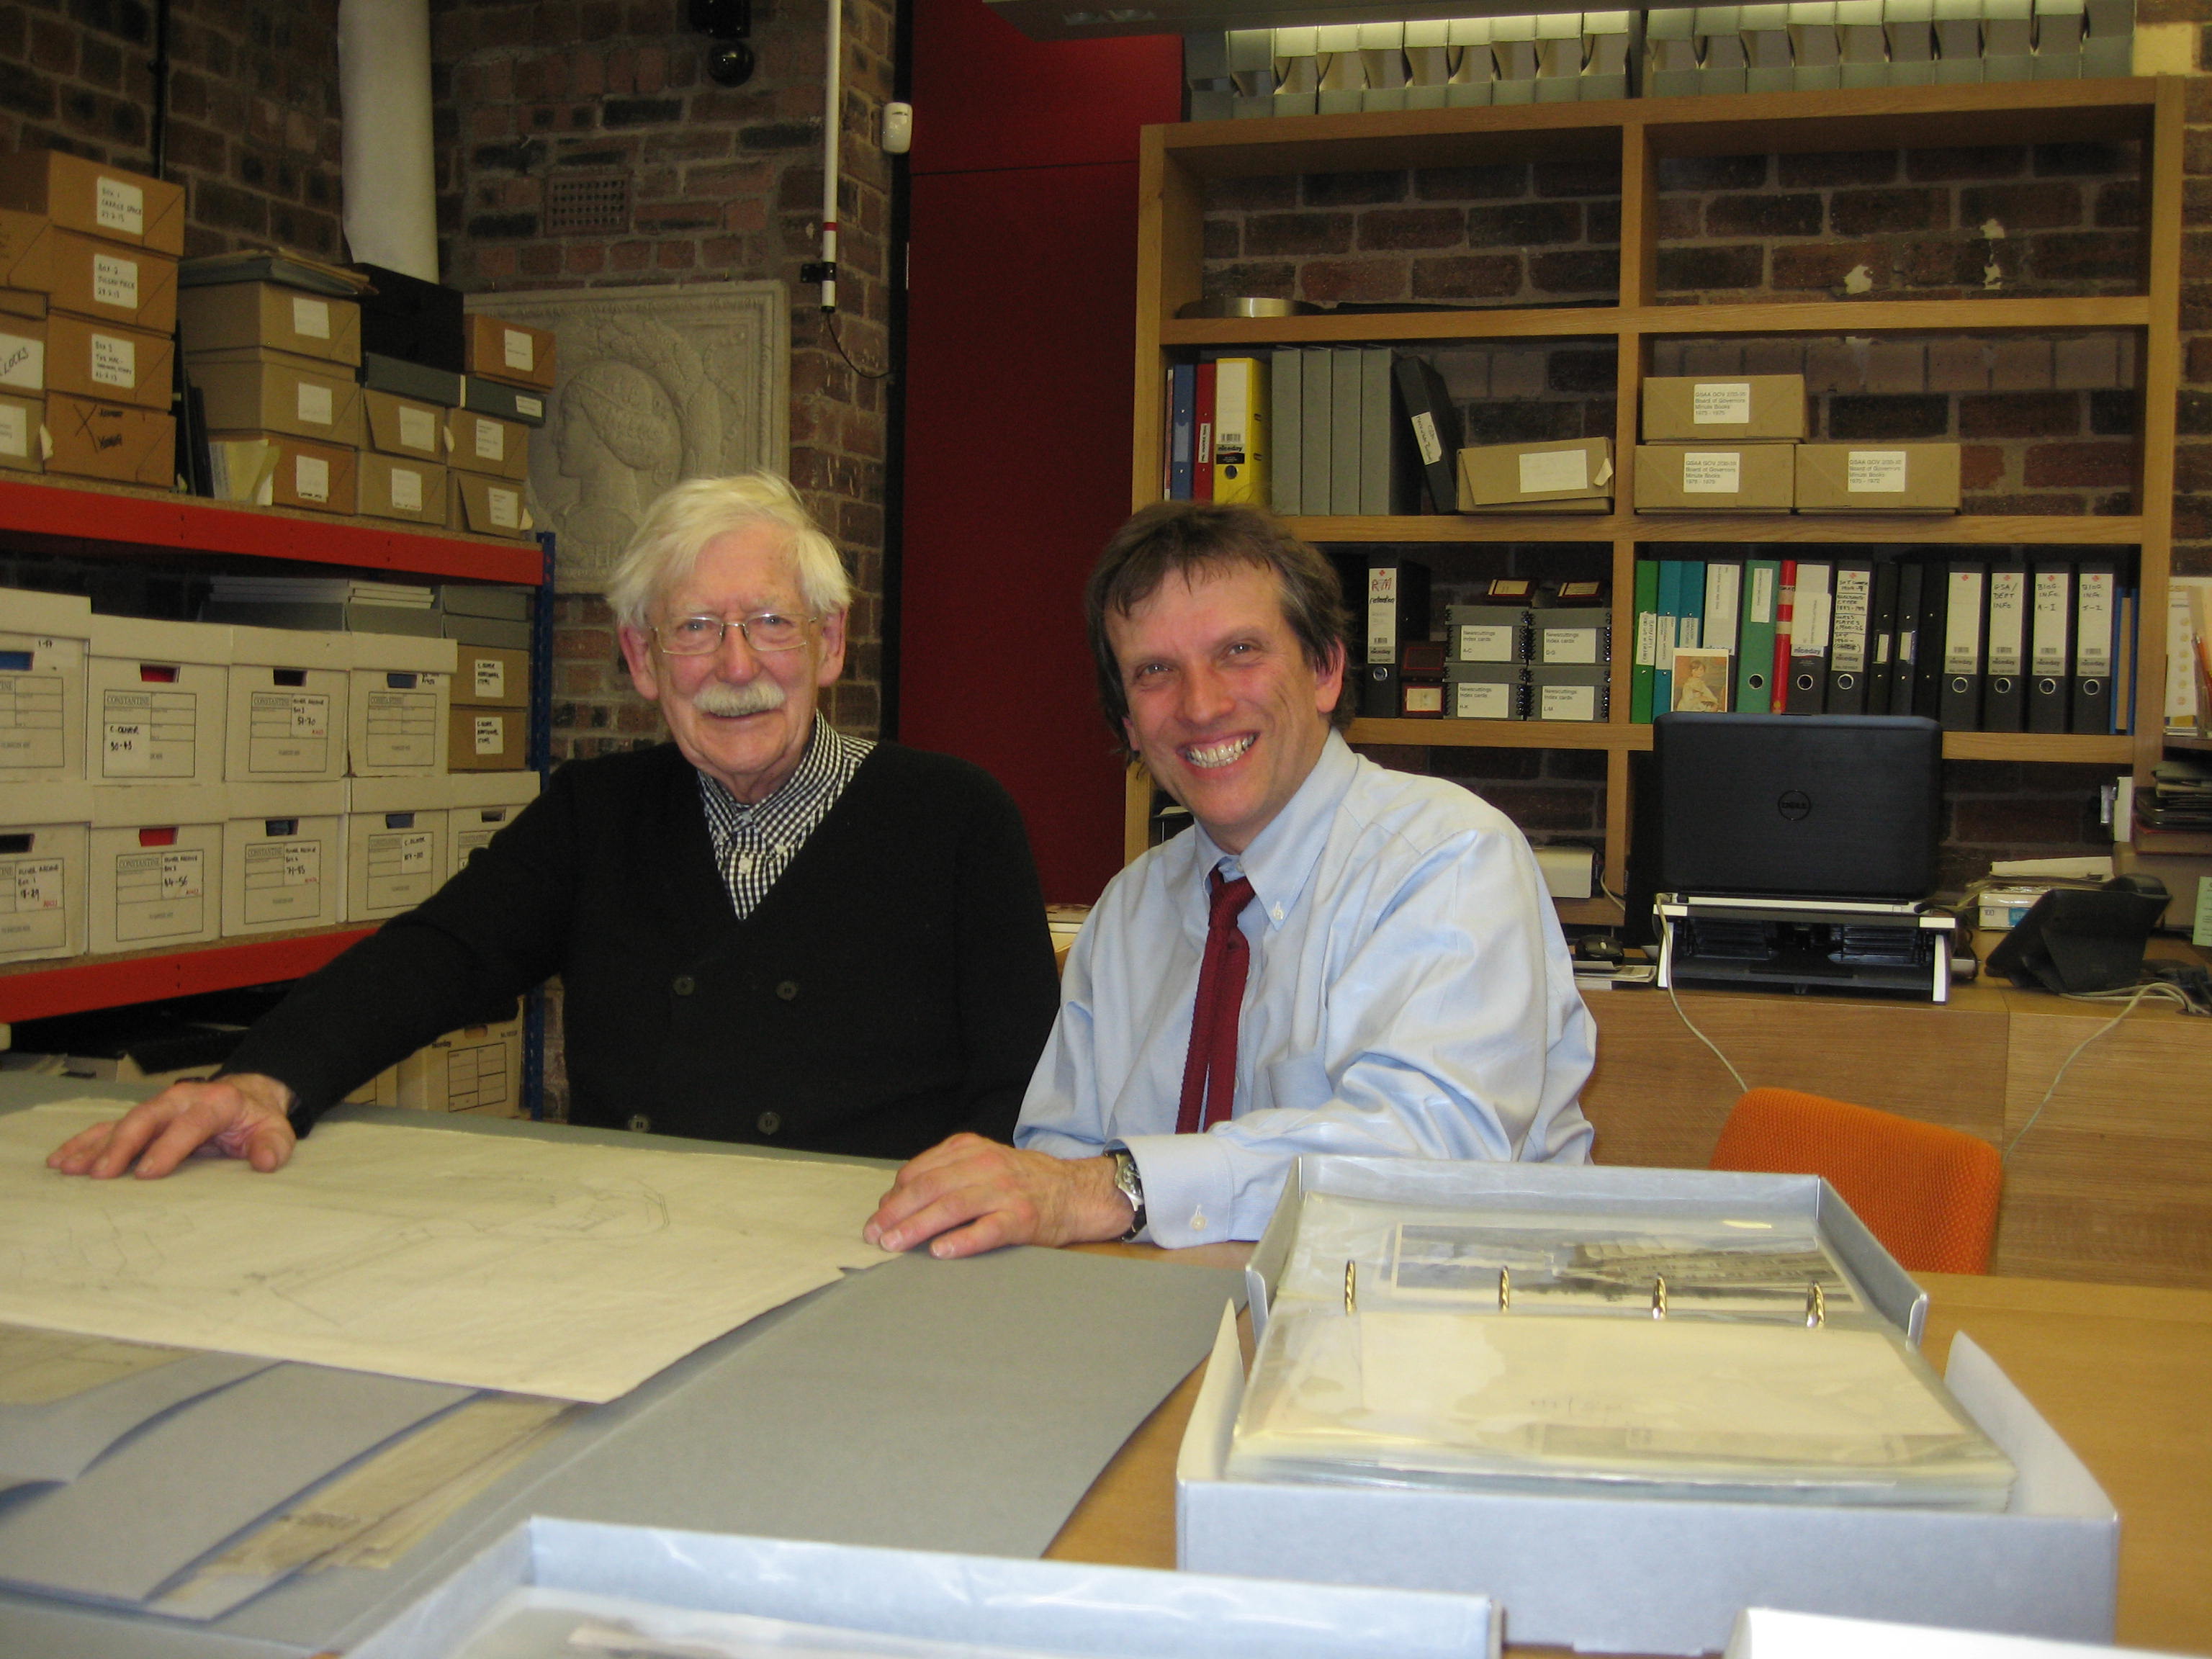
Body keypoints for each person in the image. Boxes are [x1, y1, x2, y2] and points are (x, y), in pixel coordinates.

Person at [50, 472, 1060, 1180]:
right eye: (695, 629)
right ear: (640, 659)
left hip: (868, 1256)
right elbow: (439, 954)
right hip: (633, 1250)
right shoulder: (597, 814)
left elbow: (1016, 1089)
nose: (736, 666)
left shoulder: (956, 818)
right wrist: (267, 1079)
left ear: (829, 642)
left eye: (770, 623)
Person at [866, 500, 1595, 1258]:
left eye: (1240, 650)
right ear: (1127, 724)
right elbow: (1059, 1157)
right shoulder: (1130, 910)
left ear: (1325, 669)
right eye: (1155, 672)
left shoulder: (1451, 860)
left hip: (1426, 1331)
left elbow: (1425, 1153)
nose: (1202, 705)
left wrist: (1123, 1187)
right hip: (1157, 1330)